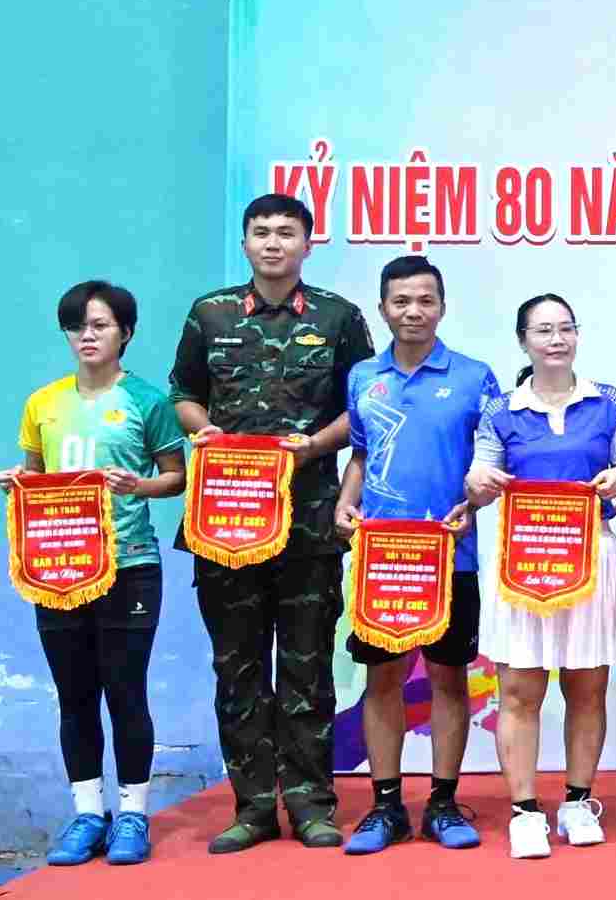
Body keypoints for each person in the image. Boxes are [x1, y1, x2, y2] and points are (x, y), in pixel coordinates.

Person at [170, 194, 374, 854]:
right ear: (245, 242)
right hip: (225, 518)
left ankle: (313, 804)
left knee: (308, 669)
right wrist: (210, 434)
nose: (273, 243)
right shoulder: (211, 313)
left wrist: (316, 447)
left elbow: (363, 408)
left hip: (310, 519)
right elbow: (184, 394)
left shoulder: (339, 319)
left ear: (308, 244)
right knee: (238, 667)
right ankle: (253, 807)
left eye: (287, 232)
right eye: (261, 232)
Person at [0, 281, 186, 867]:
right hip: (58, 571)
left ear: (124, 333)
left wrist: (139, 486)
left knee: (125, 692)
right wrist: (16, 483)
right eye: (77, 326)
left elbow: (175, 478)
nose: (87, 335)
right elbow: (36, 477)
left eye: (100, 325)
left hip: (130, 566)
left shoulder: (148, 402)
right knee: (74, 696)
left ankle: (132, 814)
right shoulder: (42, 403)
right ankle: (87, 814)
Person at [332, 256, 502, 854]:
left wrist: (473, 508)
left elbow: (492, 464)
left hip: (453, 557)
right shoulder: (363, 378)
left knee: (450, 678)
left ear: (442, 307)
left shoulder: (477, 377)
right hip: (384, 558)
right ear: (383, 308)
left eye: (425, 300)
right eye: (401, 301)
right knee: (383, 679)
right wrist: (345, 505)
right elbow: (359, 452)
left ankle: (443, 801)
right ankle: (384, 807)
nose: (414, 311)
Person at [463, 294, 616, 858]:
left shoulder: (608, 401)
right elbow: (477, 477)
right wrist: (482, 485)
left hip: (593, 559)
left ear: (577, 336)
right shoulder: (500, 410)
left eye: (566, 328)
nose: (556, 339)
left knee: (587, 688)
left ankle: (578, 801)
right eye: (544, 330)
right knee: (519, 692)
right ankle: (523, 811)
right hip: (524, 561)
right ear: (524, 341)